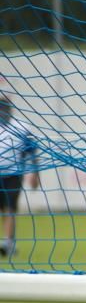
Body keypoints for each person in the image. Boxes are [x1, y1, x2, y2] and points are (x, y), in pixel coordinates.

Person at [0, 95, 39, 258]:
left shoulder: (21, 127)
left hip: (13, 175)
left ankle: (9, 243)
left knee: (10, 209)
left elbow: (32, 151)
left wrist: (35, 173)